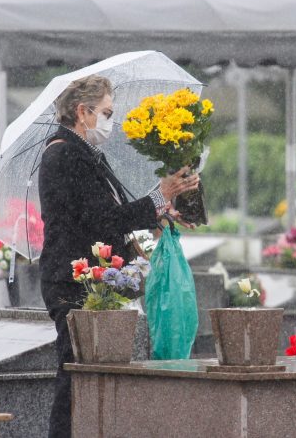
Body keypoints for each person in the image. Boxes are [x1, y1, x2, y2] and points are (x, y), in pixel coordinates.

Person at [38, 74, 199, 438]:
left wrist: (160, 210)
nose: (111, 121)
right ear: (83, 111)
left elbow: (111, 212)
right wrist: (159, 195)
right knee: (75, 374)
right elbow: (100, 220)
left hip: (90, 278)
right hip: (72, 280)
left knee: (87, 374)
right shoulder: (64, 153)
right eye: (107, 113)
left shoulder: (87, 153)